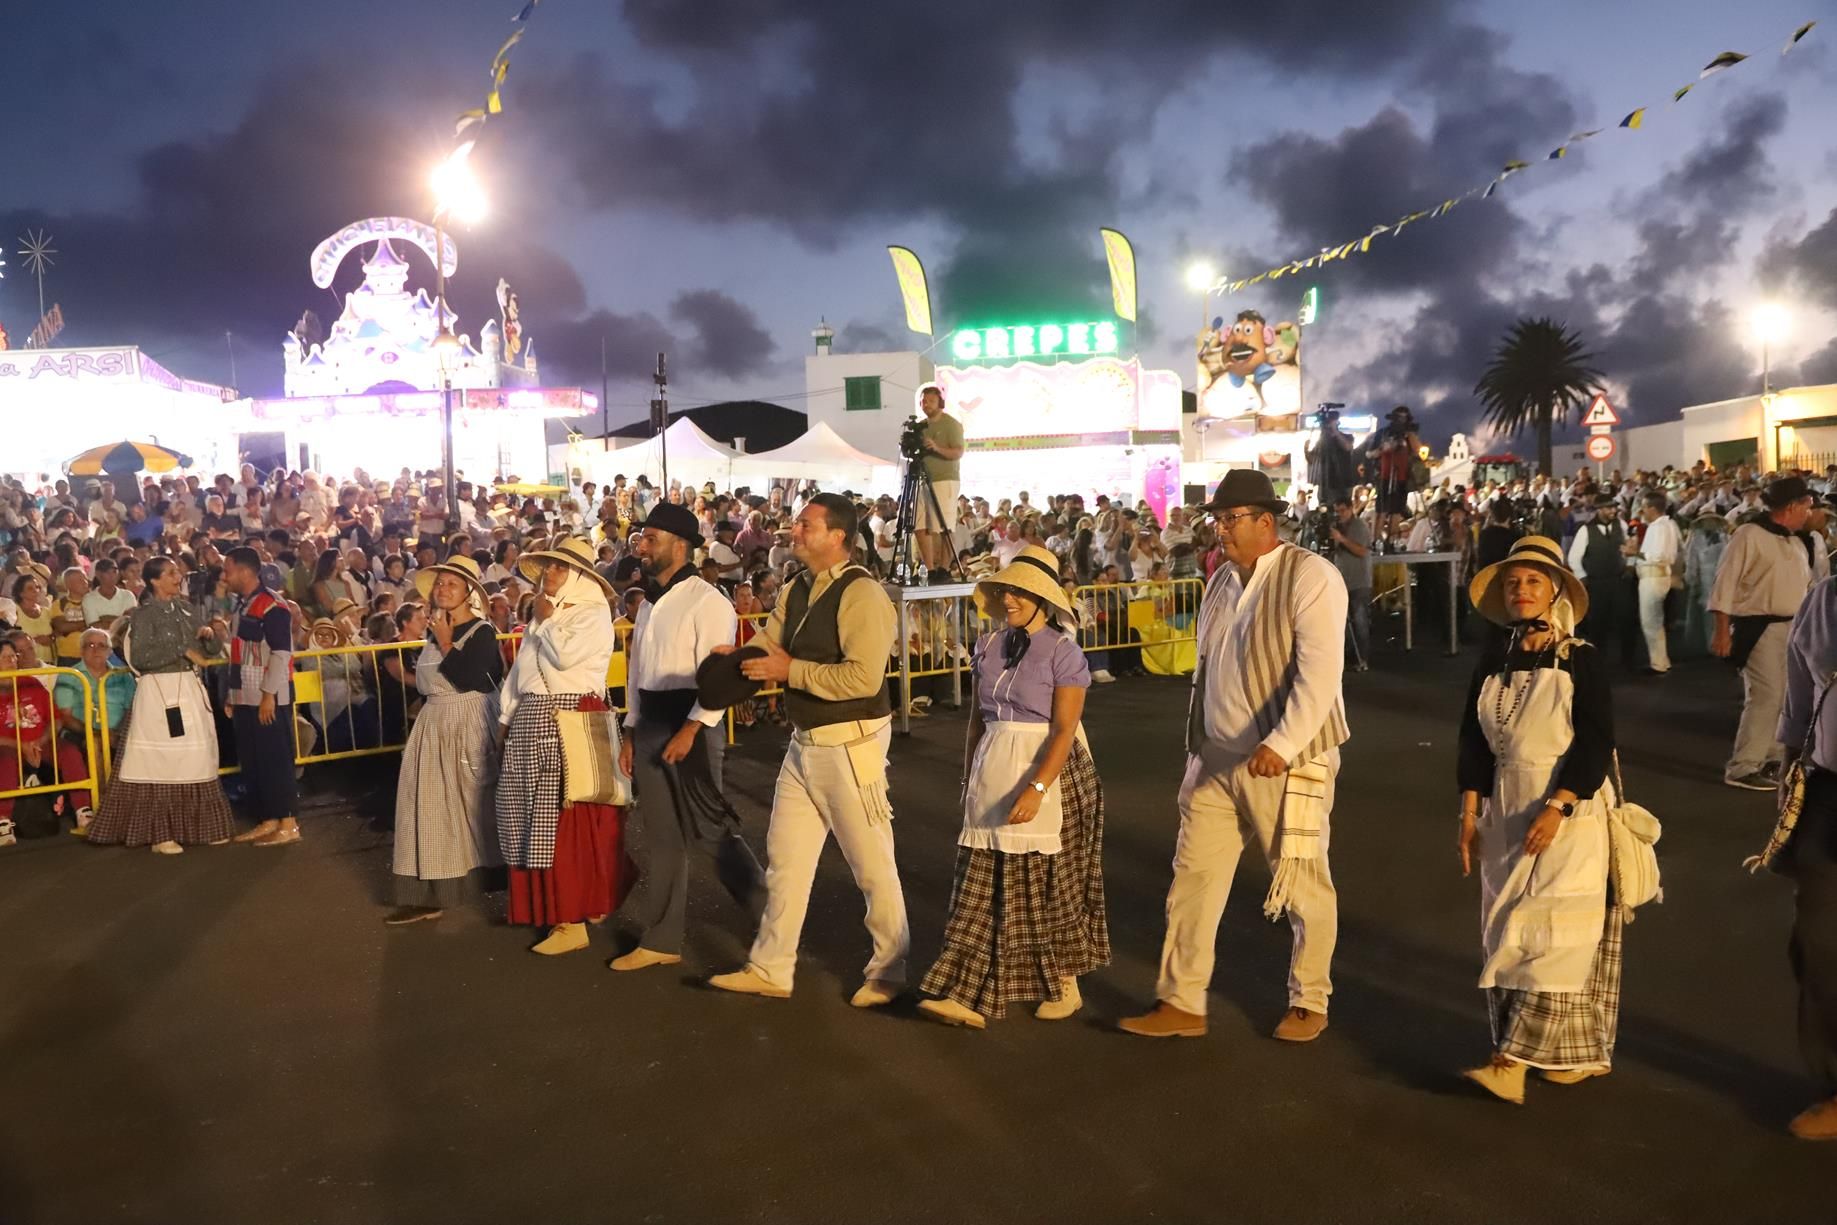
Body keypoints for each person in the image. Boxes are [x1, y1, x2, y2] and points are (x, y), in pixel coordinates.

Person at [1120, 469, 1348, 1043]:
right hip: (1217, 758)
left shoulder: (1312, 575)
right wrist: (1199, 747)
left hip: (1286, 759)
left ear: (1266, 522)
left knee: (1300, 880)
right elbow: (1209, 668)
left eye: (1230, 519)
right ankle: (1181, 1001)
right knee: (1192, 879)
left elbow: (1320, 675)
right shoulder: (1221, 579)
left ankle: (1309, 1000)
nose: (1219, 529)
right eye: (1217, 520)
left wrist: (1283, 743)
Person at [708, 493, 909, 1006]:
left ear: (837, 535)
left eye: (805, 525)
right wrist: (741, 655)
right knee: (786, 862)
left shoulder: (862, 594)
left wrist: (787, 671)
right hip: (805, 743)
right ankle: (771, 967)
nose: (793, 531)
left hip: (850, 744)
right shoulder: (798, 587)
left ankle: (890, 969)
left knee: (871, 864)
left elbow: (864, 679)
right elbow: (770, 644)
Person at [1456, 536, 1622, 1104]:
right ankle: (1575, 1053)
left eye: (1532, 581)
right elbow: (1472, 740)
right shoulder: (1494, 660)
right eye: (1512, 583)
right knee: (1508, 927)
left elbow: (1597, 740)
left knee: (1551, 934)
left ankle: (1509, 1062)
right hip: (1505, 810)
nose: (1521, 591)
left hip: (1566, 811)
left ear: (1555, 589)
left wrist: (1560, 805)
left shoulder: (1582, 658)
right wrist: (1469, 810)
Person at [915, 545, 1108, 1028]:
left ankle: (1064, 983)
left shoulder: (1064, 652)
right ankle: (968, 993)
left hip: (1050, 769)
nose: (1010, 598)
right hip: (994, 766)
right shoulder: (989, 646)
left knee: (1048, 885)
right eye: (1006, 590)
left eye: (1021, 591)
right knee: (983, 882)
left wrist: (1038, 788)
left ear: (1043, 598)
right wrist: (967, 775)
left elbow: (1064, 730)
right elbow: (978, 722)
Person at [612, 503, 765, 972]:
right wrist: (632, 732)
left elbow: (717, 678)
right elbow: (639, 673)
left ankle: (774, 919)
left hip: (692, 722)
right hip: (653, 722)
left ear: (680, 545)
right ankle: (660, 940)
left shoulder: (709, 600)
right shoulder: (651, 602)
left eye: (651, 537)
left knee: (711, 832)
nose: (642, 545)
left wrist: (691, 729)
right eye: (642, 537)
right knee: (662, 836)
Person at [495, 538, 622, 955]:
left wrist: (546, 620)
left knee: (562, 820)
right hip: (535, 716)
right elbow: (522, 671)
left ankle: (571, 918)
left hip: (569, 715)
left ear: (582, 576)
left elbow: (566, 658)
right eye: (548, 567)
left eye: (559, 568)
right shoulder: (547, 615)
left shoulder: (592, 613)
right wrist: (505, 717)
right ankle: (572, 907)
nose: (550, 575)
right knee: (535, 815)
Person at [385, 555, 506, 925]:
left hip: (466, 720)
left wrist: (445, 641)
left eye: (452, 583)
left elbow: (474, 677)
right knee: (428, 806)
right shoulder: (435, 630)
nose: (442, 589)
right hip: (435, 722)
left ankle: (487, 878)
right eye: (440, 583)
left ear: (469, 592)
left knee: (472, 805)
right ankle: (431, 890)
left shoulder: (480, 631)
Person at [85, 559, 234, 854]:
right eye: (171, 573)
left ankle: (202, 828)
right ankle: (159, 834)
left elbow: (210, 651)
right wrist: (181, 648)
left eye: (176, 572)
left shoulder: (189, 610)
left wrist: (209, 638)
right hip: (158, 693)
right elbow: (139, 657)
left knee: (196, 758)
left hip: (188, 689)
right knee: (160, 762)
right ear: (154, 581)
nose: (178, 577)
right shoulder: (143, 615)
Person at [1774, 574, 1837, 1140]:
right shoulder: (1823, 598)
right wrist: (1790, 773)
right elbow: (1799, 691)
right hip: (1827, 789)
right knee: (1817, 943)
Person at [1711, 476, 1823, 790]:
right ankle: (1743, 765)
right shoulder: (1749, 535)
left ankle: (1772, 757)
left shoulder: (1793, 540)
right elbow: (1725, 583)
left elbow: (1807, 585)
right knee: (1766, 694)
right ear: (1791, 507)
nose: (1809, 512)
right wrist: (1722, 630)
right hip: (1758, 627)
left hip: (1792, 628)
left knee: (1787, 694)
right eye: (1806, 505)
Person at [222, 547, 301, 846]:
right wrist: (232, 694)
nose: (225, 576)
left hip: (269, 696)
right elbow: (237, 654)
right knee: (254, 762)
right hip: (245, 695)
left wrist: (269, 694)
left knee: (276, 759)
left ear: (245, 571)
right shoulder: (243, 606)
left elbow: (281, 653)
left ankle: (289, 822)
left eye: (228, 570)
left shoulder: (272, 605)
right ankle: (269, 819)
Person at [0, 633, 93, 834]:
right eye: (5, 657)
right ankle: (3, 820)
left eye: (13, 656)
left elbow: (56, 719)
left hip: (41, 741)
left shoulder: (31, 682)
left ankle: (83, 810)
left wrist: (40, 741)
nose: (11, 661)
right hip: (7, 746)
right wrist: (20, 746)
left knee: (69, 751)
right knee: (4, 761)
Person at [1567, 496, 1632, 666]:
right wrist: (1583, 576)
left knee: (1625, 620)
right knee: (1598, 623)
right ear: (1599, 510)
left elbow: (1629, 548)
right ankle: (1598, 661)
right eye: (1608, 508)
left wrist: (1629, 565)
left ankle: (1628, 660)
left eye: (1614, 508)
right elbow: (1574, 557)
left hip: (1618, 579)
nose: (1613, 511)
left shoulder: (1621, 525)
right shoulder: (1586, 530)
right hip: (1597, 582)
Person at [912, 383, 966, 580]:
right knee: (919, 524)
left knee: (945, 526)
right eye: (923, 401)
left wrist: (936, 448)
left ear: (940, 403)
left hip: (945, 480)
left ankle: (943, 568)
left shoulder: (951, 424)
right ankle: (929, 568)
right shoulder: (920, 427)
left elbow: (958, 452)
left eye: (930, 401)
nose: (926, 404)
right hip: (921, 480)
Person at [1632, 493, 1680, 675]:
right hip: (1659, 577)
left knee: (1651, 621)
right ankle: (1661, 660)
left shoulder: (1659, 527)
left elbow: (1658, 556)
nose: (1642, 511)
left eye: (1644, 506)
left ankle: (1658, 663)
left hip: (1653, 577)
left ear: (1652, 508)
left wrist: (1635, 553)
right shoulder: (1669, 525)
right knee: (1655, 621)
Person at [1329, 495, 1372, 671]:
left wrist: (1342, 539)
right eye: (1337, 511)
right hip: (1342, 581)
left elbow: (1362, 551)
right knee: (1343, 623)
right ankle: (1349, 656)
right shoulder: (1337, 526)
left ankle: (1363, 658)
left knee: (1360, 621)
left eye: (1342, 510)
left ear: (1350, 508)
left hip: (1359, 581)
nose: (1340, 514)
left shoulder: (1359, 526)